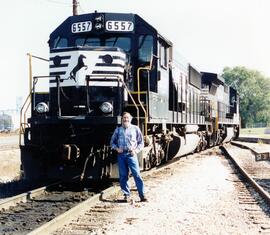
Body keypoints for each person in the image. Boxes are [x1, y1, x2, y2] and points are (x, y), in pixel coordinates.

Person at [110, 112, 147, 202]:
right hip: (121, 155)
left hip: (131, 155)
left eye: (127, 118)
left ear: (130, 119)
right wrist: (116, 148)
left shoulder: (135, 129)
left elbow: (141, 143)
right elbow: (112, 142)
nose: (125, 119)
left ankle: (142, 195)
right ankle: (126, 195)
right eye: (124, 118)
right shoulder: (118, 130)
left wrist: (135, 151)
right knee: (123, 176)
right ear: (122, 119)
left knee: (137, 175)